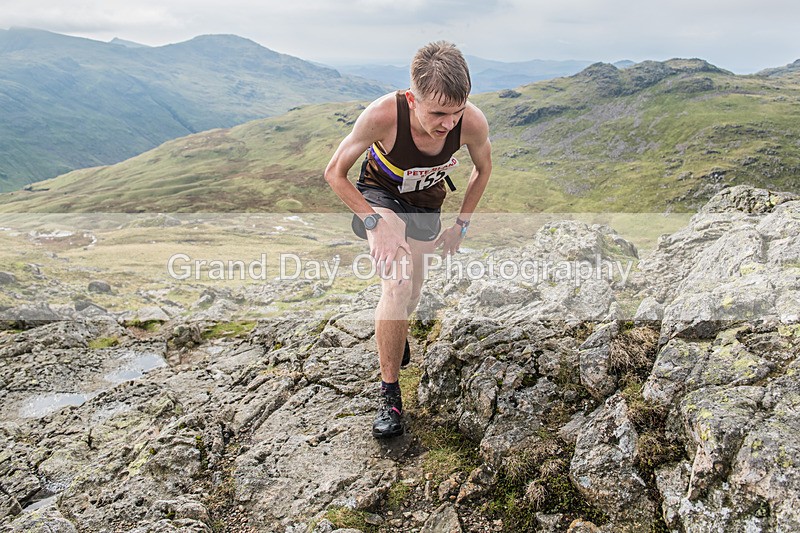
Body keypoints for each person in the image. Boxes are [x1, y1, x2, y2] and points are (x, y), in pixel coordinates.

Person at [324, 40, 492, 439]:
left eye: (456, 112)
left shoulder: (472, 123)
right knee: (396, 283)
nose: (448, 124)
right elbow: (334, 172)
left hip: (427, 204)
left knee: (413, 291)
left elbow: (482, 170)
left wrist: (461, 226)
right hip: (380, 197)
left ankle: (396, 337)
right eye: (437, 113)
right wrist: (372, 221)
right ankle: (390, 396)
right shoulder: (383, 116)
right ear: (411, 98)